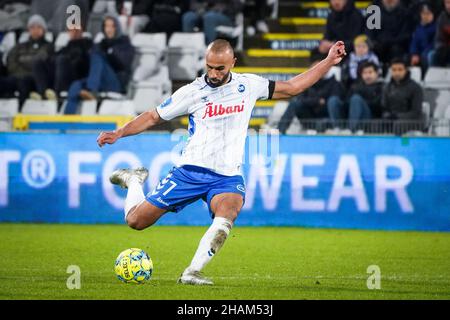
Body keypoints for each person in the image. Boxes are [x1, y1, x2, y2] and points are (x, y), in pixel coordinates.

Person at [96, 39, 347, 285]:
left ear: (232, 63)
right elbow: (152, 117)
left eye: (220, 68)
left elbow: (293, 87)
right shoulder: (192, 92)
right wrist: (119, 133)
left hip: (227, 176)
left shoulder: (248, 85)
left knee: (229, 211)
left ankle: (192, 272)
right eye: (210, 67)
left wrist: (327, 61)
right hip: (190, 172)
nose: (214, 74)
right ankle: (133, 180)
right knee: (136, 222)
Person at [64, 15, 134, 114]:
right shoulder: (100, 44)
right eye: (106, 26)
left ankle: (92, 90)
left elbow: (123, 65)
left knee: (97, 56)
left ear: (117, 28)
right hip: (98, 82)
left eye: (112, 26)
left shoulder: (125, 44)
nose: (109, 29)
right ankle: (67, 119)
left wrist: (109, 53)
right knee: (76, 85)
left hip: (115, 83)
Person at [277, 59, 345, 134]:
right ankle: (280, 130)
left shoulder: (334, 83)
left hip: (326, 120)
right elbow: (301, 99)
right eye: (314, 68)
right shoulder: (307, 83)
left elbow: (332, 103)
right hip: (309, 118)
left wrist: (312, 101)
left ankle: (337, 130)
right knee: (295, 103)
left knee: (322, 122)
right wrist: (317, 101)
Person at [3, 14, 53, 106]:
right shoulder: (19, 46)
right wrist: (23, 72)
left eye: (38, 27)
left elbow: (39, 63)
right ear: (29, 30)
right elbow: (11, 63)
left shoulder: (48, 46)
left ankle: (20, 111)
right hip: (16, 76)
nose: (35, 30)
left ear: (44, 30)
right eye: (32, 27)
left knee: (24, 82)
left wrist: (23, 62)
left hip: (35, 80)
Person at [382, 58, 424, 134]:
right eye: (394, 70)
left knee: (399, 124)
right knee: (377, 123)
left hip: (412, 121)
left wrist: (397, 116)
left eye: (400, 70)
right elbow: (384, 107)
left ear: (406, 70)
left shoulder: (416, 88)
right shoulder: (387, 87)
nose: (397, 73)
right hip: (392, 119)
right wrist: (387, 115)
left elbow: (416, 112)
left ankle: (398, 145)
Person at [367, 0, 413, 66]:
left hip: (397, 45)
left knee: (396, 49)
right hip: (379, 45)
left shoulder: (405, 12)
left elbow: (405, 34)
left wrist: (390, 42)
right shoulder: (374, 10)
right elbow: (370, 31)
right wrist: (374, 43)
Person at [346, 61, 384, 132]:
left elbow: (378, 105)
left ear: (377, 73)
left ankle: (351, 130)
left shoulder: (382, 87)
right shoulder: (355, 87)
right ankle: (351, 129)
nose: (367, 75)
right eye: (365, 73)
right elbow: (347, 103)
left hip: (372, 117)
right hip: (355, 116)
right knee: (355, 99)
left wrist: (362, 102)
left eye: (370, 72)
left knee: (356, 99)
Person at [409, 2, 437, 74]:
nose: (426, 16)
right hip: (419, 53)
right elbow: (414, 42)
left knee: (425, 57)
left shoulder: (436, 27)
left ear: (432, 15)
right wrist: (414, 53)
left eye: (428, 13)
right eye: (423, 13)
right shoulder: (418, 28)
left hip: (428, 52)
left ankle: (425, 77)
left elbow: (434, 43)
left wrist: (422, 54)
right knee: (406, 58)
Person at [430, 0, 450, 66]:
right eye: (447, 2)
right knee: (432, 55)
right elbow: (438, 38)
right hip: (445, 48)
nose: (449, 6)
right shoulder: (442, 17)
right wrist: (440, 47)